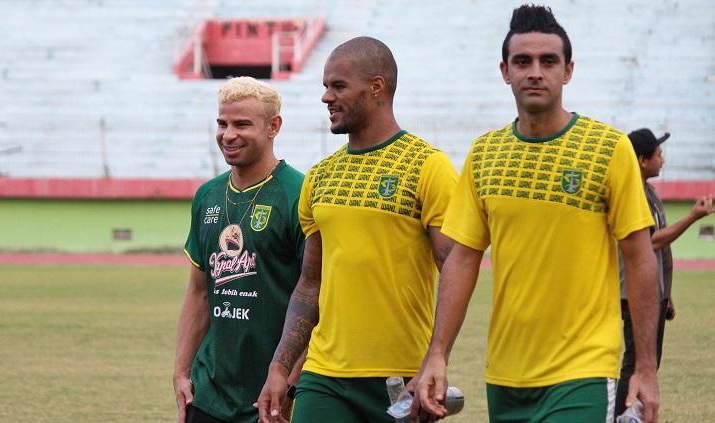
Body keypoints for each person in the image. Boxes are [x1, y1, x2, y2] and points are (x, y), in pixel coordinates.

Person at [413, 5, 662, 423]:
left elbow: (639, 258)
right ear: (504, 70)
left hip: (583, 369)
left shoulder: (609, 148)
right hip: (505, 375)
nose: (535, 71)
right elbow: (463, 257)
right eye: (522, 61)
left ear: (567, 71)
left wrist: (646, 368)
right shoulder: (484, 153)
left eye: (548, 61)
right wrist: (437, 352)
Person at [256, 36, 458, 423]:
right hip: (324, 376)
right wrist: (280, 368)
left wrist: (437, 358)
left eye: (338, 86)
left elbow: (455, 269)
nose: (326, 97)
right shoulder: (320, 176)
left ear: (377, 87)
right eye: (325, 87)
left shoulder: (428, 167)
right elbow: (310, 283)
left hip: (401, 378)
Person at [173, 76, 306, 423]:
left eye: (242, 124)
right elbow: (199, 293)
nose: (228, 134)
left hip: (270, 394)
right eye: (222, 123)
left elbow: (318, 298)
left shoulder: (299, 195)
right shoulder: (208, 196)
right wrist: (181, 371)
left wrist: (291, 384)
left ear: (274, 126)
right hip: (208, 393)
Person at [615, 128, 714, 416]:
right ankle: (621, 416)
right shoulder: (633, 194)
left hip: (651, 292)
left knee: (649, 361)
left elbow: (661, 252)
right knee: (637, 362)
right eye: (659, 154)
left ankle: (630, 413)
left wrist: (665, 293)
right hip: (632, 291)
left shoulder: (650, 193)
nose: (663, 160)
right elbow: (652, 242)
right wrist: (693, 217)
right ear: (643, 160)